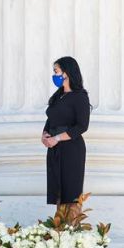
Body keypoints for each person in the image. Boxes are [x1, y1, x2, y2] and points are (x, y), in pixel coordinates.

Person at [41, 56, 91, 218]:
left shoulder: (80, 97)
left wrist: (57, 138)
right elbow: (51, 119)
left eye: (56, 71)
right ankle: (59, 230)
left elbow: (82, 126)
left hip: (71, 148)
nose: (54, 75)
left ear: (67, 73)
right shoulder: (58, 96)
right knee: (58, 190)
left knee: (71, 191)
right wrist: (45, 135)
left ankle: (72, 230)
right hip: (55, 149)